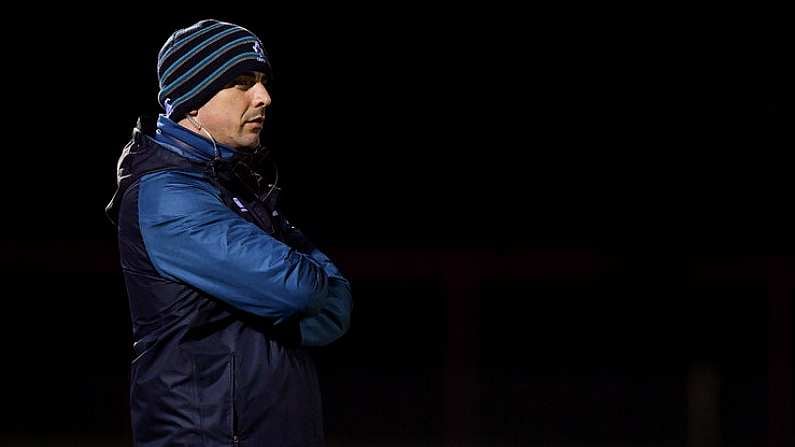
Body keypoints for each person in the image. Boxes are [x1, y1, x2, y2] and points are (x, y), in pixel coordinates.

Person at [105, 19, 352, 447]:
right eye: (242, 82)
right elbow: (302, 288)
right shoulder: (167, 194)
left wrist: (295, 305)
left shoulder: (227, 180)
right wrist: (296, 307)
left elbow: (336, 308)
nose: (264, 97)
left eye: (262, 81)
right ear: (192, 98)